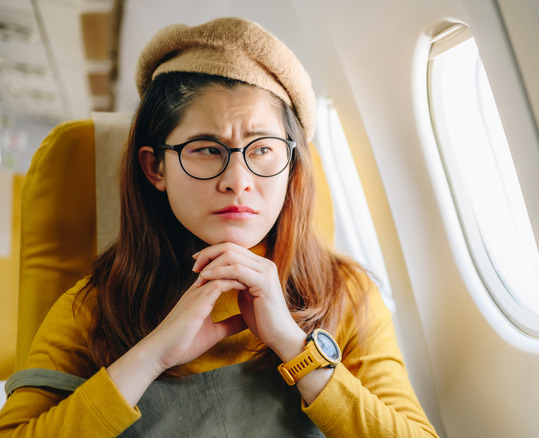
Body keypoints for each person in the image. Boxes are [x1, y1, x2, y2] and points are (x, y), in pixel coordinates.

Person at [0, 17, 438, 437]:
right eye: (207, 149)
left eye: (262, 149)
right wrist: (152, 355)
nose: (238, 181)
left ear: (291, 168)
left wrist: (293, 344)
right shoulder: (93, 308)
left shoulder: (346, 295)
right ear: (156, 168)